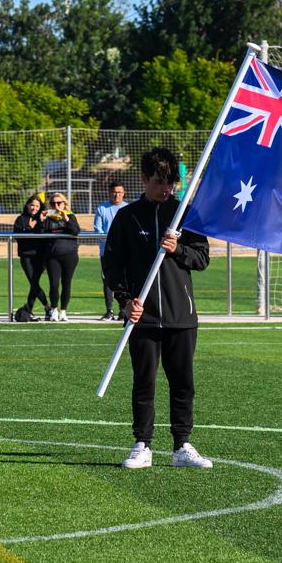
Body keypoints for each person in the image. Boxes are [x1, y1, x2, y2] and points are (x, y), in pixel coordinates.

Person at [102, 147, 212, 470]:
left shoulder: (184, 213)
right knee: (144, 381)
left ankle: (182, 445)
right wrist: (125, 302)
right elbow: (111, 265)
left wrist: (178, 250)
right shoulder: (127, 217)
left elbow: (202, 258)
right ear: (144, 178)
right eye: (159, 182)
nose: (166, 189)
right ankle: (142, 444)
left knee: (183, 383)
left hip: (181, 317)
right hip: (142, 318)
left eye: (171, 183)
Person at [37, 192, 80, 321]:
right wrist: (41, 220)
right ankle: (54, 310)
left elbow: (75, 231)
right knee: (54, 284)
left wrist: (66, 219)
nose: (56, 206)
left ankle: (63, 311)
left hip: (69, 255)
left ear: (64, 204)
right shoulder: (48, 217)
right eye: (53, 203)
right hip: (52, 256)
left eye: (59, 203)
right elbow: (40, 234)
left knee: (66, 283)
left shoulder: (70, 216)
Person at [94, 182, 128, 321]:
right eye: (114, 192)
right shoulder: (102, 208)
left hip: (125, 252)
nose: (117, 194)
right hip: (107, 252)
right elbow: (98, 229)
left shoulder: (128, 208)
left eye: (119, 192)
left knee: (125, 280)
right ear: (109, 192)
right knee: (108, 281)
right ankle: (109, 311)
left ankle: (123, 310)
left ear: (123, 193)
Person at [12, 195, 48, 322]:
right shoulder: (21, 219)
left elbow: (43, 235)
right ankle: (47, 306)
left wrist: (41, 222)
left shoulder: (42, 219)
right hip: (26, 255)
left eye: (37, 206)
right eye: (32, 205)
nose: (34, 208)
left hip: (39, 256)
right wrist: (29, 229)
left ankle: (29, 310)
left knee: (34, 284)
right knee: (34, 283)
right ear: (27, 205)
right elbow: (18, 235)